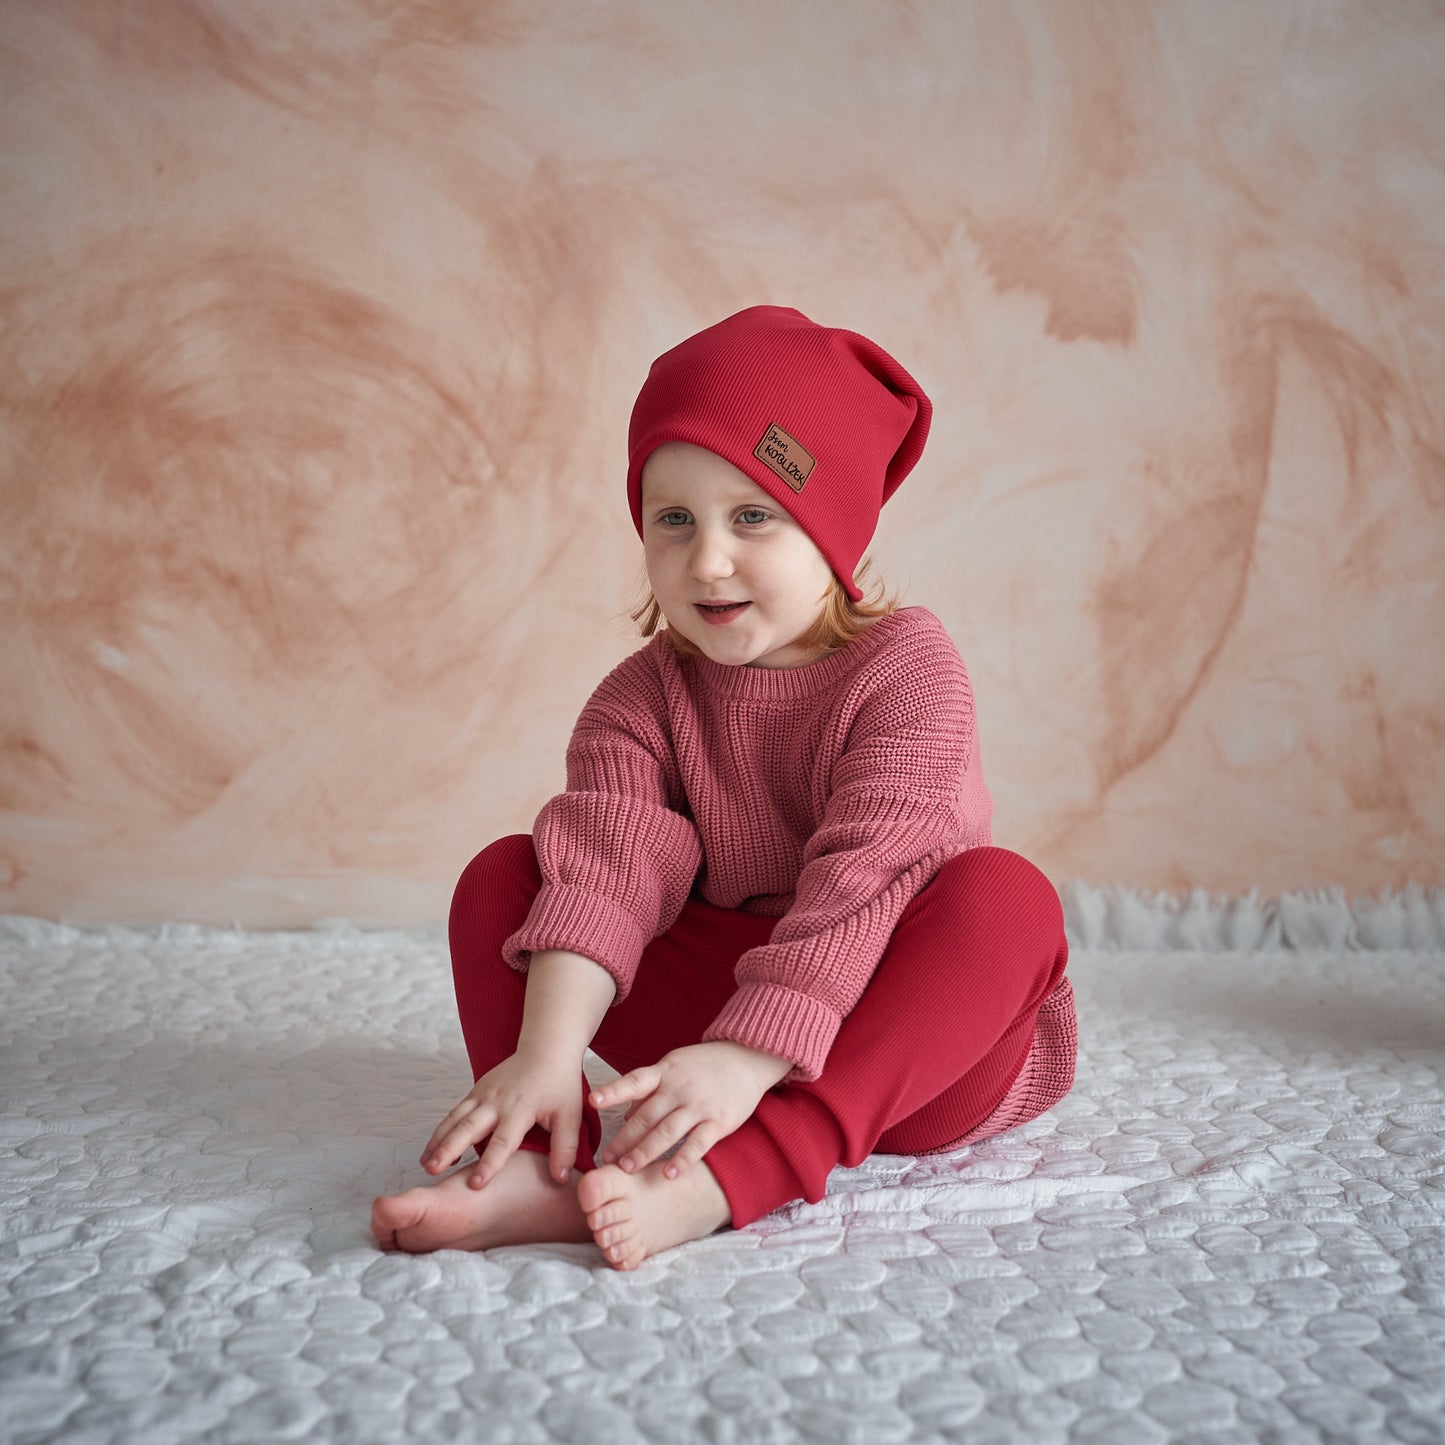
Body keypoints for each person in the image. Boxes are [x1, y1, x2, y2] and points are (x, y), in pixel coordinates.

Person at [371, 305, 1075, 1270]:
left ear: (833, 531)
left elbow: (865, 880)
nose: (706, 561)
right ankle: (540, 1158)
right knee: (506, 877)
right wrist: (547, 1053)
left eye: (753, 516)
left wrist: (747, 1061)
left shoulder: (906, 670)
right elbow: (606, 874)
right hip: (713, 1031)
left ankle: (738, 1172)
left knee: (1007, 898)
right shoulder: (640, 697)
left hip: (905, 1062)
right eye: (674, 520)